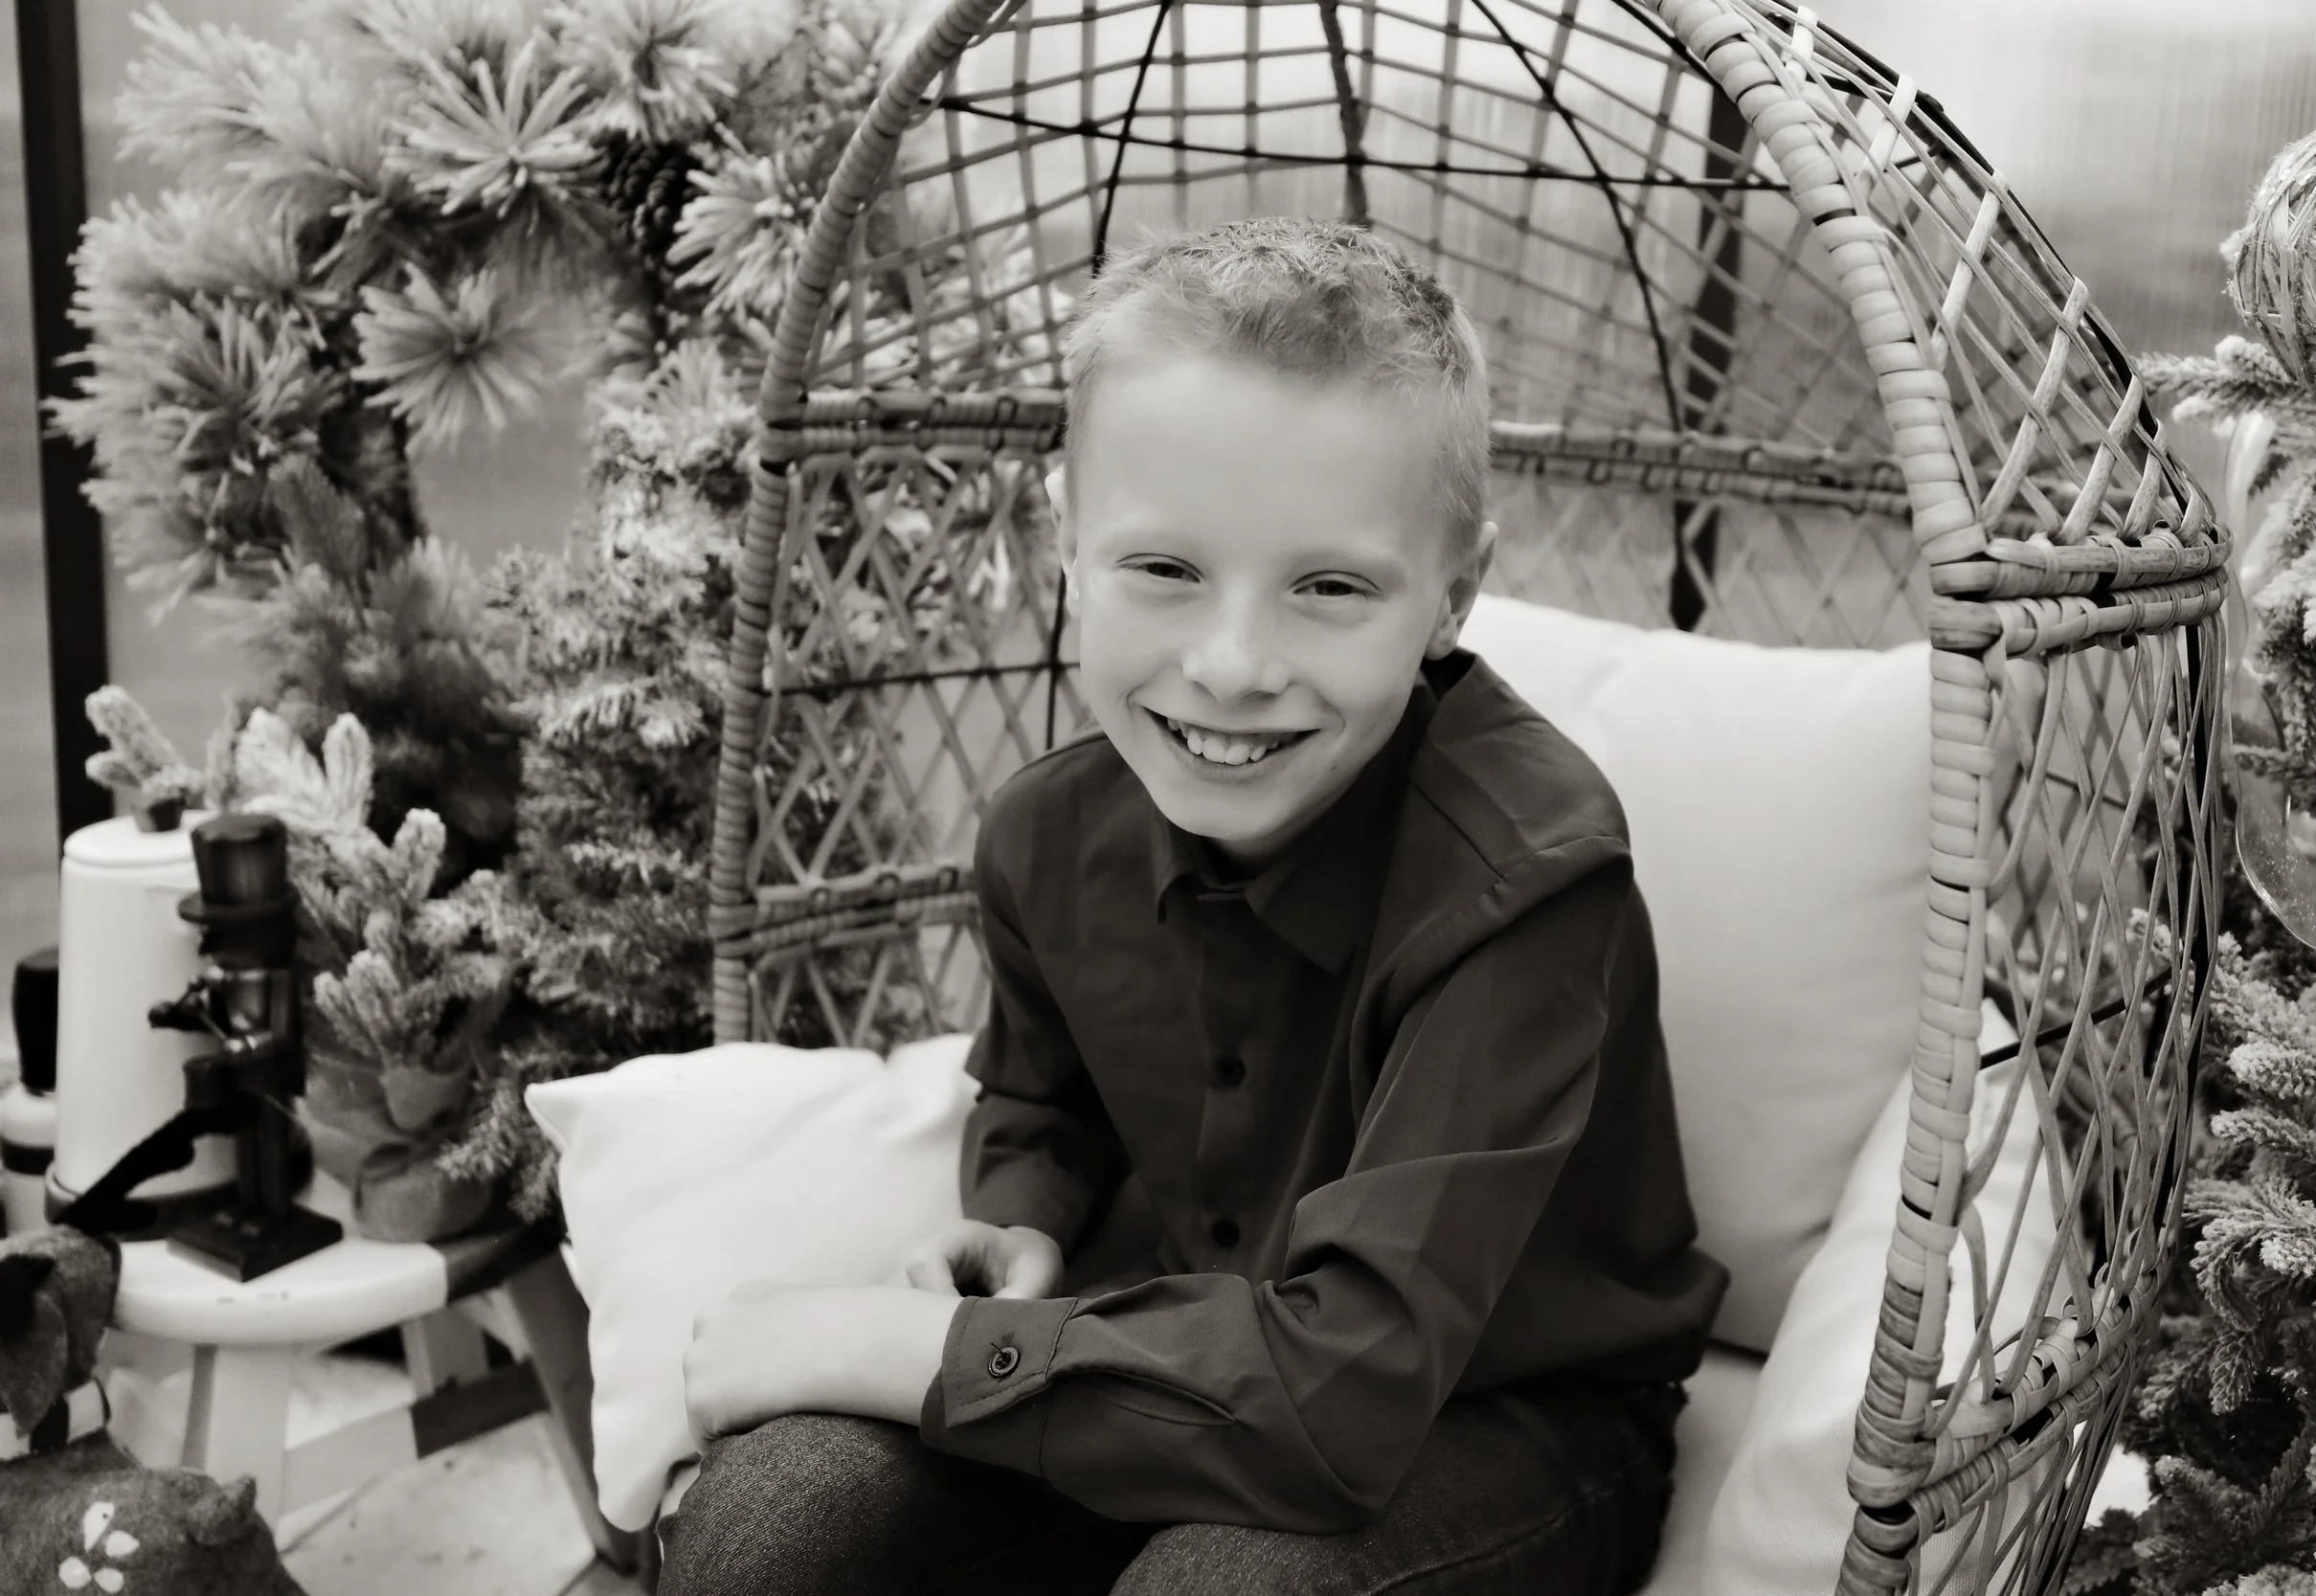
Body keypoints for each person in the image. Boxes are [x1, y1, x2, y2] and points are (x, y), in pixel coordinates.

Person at [662, 216, 1727, 1595]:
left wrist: (884, 1344)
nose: (1231, 666)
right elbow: (1047, 1097)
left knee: (1222, 1589)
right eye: (1164, 569)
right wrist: (1024, 1206)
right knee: (776, 1522)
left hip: (1499, 1419)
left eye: (1328, 587)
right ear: (1069, 543)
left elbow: (1345, 1399)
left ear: (1452, 596)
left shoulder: (1528, 882)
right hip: (1164, 1352)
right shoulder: (1047, 832)